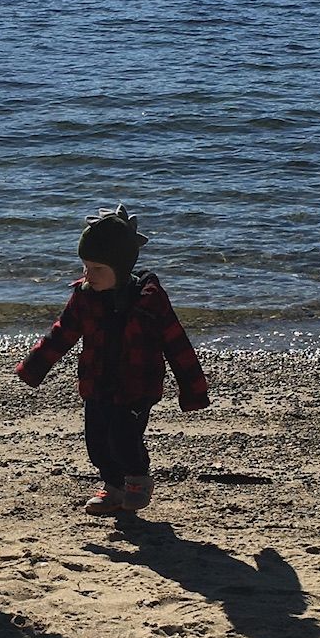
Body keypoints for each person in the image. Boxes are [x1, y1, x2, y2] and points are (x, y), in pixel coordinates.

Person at [16, 206, 209, 516]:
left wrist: (193, 389)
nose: (88, 275)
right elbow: (63, 332)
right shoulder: (85, 296)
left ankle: (138, 480)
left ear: (120, 268)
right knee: (96, 440)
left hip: (137, 385)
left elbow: (177, 344)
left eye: (97, 269)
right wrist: (34, 365)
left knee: (123, 435)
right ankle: (113, 487)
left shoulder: (149, 300)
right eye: (85, 267)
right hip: (96, 381)